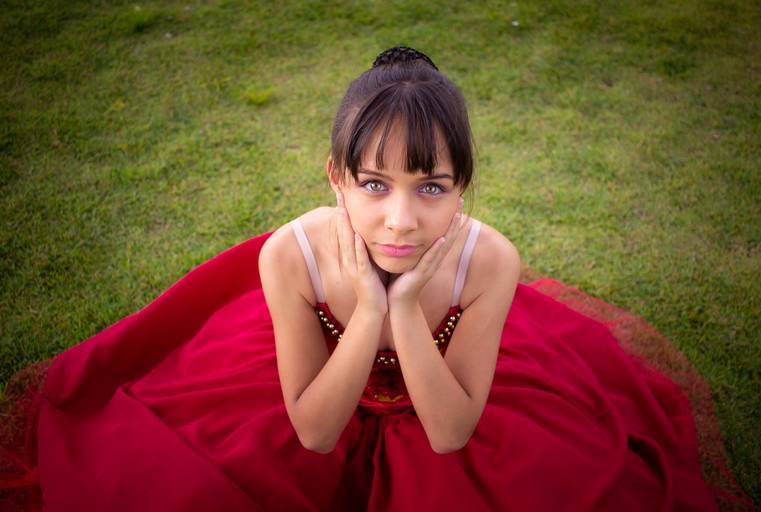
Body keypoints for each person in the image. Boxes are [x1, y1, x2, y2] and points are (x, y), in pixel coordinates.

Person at [2, 47, 723, 511]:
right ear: (336, 179)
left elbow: (450, 434)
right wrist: (368, 313)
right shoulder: (290, 256)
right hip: (317, 385)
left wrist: (404, 309)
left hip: (442, 392)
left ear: (463, 187)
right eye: (374, 185)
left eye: (431, 187)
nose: (401, 221)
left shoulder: (490, 261)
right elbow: (315, 433)